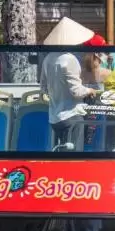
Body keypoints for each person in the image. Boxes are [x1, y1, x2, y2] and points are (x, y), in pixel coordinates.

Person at [40, 18, 101, 150]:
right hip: (71, 115)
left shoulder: (48, 58)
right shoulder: (70, 59)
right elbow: (76, 91)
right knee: (74, 155)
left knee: (59, 154)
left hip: (54, 117)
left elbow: (43, 88)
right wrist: (90, 91)